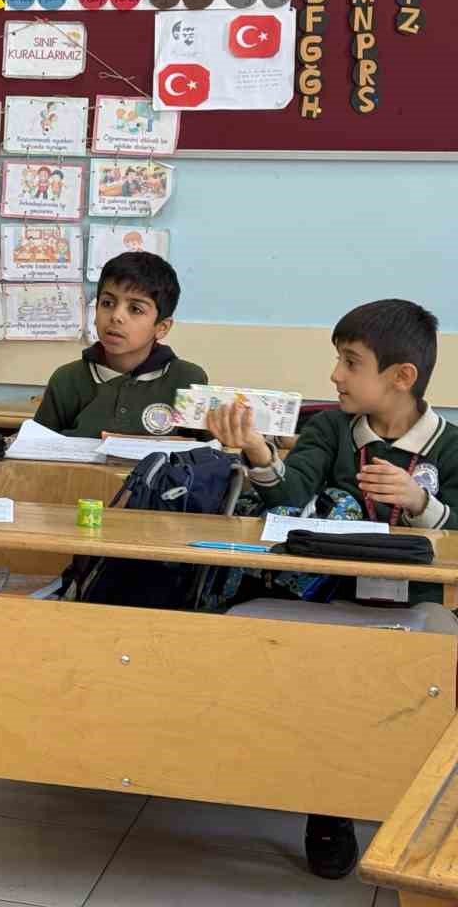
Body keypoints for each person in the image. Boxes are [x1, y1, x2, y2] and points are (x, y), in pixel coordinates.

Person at [207, 298, 458, 881]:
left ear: (401, 377)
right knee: (328, 695)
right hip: (326, 601)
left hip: (418, 612)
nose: (335, 375)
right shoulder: (330, 429)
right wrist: (258, 451)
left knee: (411, 695)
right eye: (337, 359)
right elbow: (289, 494)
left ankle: (423, 812)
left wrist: (423, 503)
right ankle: (330, 806)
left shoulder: (450, 447)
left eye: (351, 362)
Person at [34, 252, 206, 437]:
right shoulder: (67, 380)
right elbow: (36, 446)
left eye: (135, 309)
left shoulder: (187, 381)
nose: (116, 316)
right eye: (107, 303)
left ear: (161, 328)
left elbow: (209, 449)